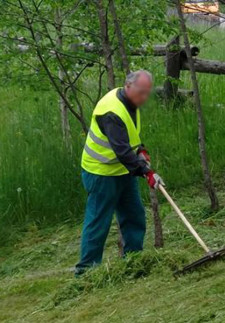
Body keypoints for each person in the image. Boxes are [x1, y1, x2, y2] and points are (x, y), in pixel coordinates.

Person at [75, 70, 164, 276]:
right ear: (128, 86)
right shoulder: (111, 111)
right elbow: (122, 150)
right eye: (141, 92)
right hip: (101, 173)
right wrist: (146, 173)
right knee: (99, 221)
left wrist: (140, 149)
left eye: (147, 93)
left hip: (122, 170)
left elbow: (129, 137)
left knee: (134, 215)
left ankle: (133, 262)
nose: (144, 98)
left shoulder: (130, 103)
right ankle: (86, 273)